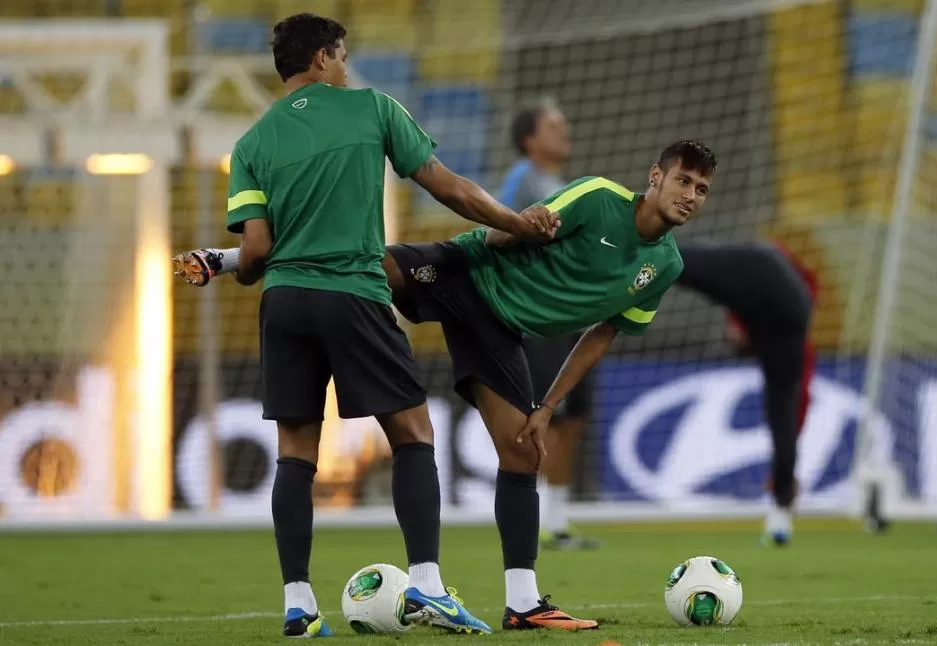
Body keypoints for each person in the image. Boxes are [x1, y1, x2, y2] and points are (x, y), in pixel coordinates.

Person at [175, 139, 718, 631]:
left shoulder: (664, 266)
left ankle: (523, 604)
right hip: (469, 271)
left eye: (701, 189)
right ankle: (229, 257)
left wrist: (548, 406)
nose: (690, 195)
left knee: (524, 453)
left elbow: (602, 336)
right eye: (683, 181)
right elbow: (506, 233)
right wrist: (522, 224)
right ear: (655, 176)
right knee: (367, 262)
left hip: (501, 329)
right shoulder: (599, 198)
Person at [202, 13, 558, 638]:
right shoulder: (370, 108)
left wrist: (238, 269)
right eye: (340, 56)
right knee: (414, 433)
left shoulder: (252, 145)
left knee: (295, 451)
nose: (346, 67)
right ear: (319, 59)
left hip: (283, 302)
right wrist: (515, 221)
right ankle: (425, 586)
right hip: (353, 292)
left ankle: (299, 603)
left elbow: (254, 251)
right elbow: (446, 187)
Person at [497, 98, 598, 550]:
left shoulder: (558, 183)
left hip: (570, 319)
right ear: (530, 140)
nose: (566, 131)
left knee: (573, 417)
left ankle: (556, 523)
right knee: (544, 419)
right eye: (555, 125)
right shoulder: (522, 179)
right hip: (538, 318)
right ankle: (533, 518)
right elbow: (498, 231)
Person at [676, 239, 815, 545]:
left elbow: (796, 405)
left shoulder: (784, 327)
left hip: (765, 271)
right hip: (769, 273)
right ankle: (780, 514)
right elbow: (793, 410)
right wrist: (785, 469)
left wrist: (785, 467)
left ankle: (781, 508)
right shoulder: (785, 319)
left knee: (674, 262)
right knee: (782, 413)